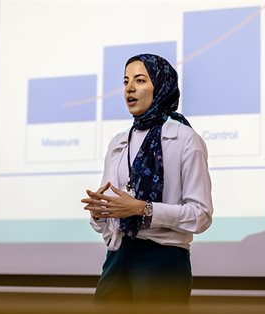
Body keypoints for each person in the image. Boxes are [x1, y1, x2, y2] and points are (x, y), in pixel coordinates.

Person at [81, 54, 213, 303]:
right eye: (125, 81)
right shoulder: (119, 141)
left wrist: (143, 209)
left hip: (164, 260)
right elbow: (107, 219)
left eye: (140, 80)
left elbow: (201, 215)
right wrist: (100, 212)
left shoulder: (186, 139)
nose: (129, 88)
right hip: (118, 258)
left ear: (161, 86)